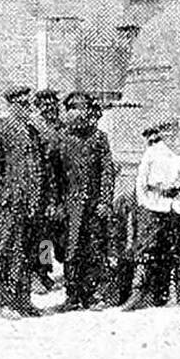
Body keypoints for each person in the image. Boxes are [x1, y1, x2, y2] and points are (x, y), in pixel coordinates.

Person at [0, 85, 47, 320]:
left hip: (31, 203)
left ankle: (24, 301)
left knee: (28, 252)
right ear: (12, 106)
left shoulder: (33, 132)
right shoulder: (2, 131)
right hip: (9, 204)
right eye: (22, 105)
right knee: (7, 252)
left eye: (28, 105)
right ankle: (7, 303)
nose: (27, 109)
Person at [126, 116, 180, 310]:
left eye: (174, 131)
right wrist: (144, 204)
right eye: (167, 131)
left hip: (174, 206)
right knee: (147, 249)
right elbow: (141, 182)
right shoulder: (153, 153)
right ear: (162, 133)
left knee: (169, 249)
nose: (171, 135)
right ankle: (137, 293)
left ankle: (164, 293)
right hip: (154, 205)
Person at [58, 91, 117, 310]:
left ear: (88, 111)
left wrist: (104, 201)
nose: (77, 113)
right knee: (69, 250)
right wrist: (56, 204)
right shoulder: (61, 138)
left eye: (80, 108)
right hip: (69, 206)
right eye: (72, 108)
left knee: (93, 249)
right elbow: (53, 174)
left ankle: (92, 295)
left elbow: (107, 172)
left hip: (93, 206)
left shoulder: (99, 138)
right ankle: (72, 295)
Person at [32, 88, 66, 294]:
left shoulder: (63, 127)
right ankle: (40, 272)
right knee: (43, 235)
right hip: (43, 187)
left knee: (60, 232)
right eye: (44, 104)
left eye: (52, 103)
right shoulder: (35, 128)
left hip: (63, 186)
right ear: (39, 107)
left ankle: (65, 270)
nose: (49, 108)